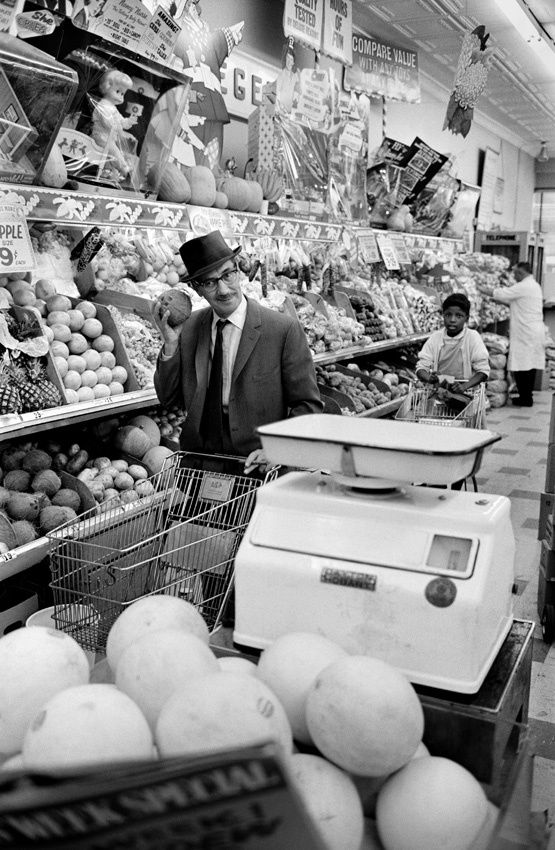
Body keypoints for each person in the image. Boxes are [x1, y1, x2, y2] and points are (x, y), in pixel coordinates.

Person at [152, 230, 323, 474]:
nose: (223, 289)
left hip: (258, 468)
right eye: (210, 282)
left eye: (227, 275)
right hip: (201, 466)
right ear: (197, 289)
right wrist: (169, 344)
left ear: (238, 271)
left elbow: (307, 405)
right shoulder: (189, 329)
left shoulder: (282, 330)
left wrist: (278, 449)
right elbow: (169, 399)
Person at [482, 261, 545, 407]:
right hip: (532, 331)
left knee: (522, 366)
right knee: (529, 366)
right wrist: (498, 302)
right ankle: (526, 396)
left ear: (521, 273)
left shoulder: (524, 286)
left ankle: (525, 399)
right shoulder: (533, 285)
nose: (513, 275)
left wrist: (479, 288)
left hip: (526, 332)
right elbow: (516, 303)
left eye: (515, 273)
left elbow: (501, 293)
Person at [416, 293, 490, 393]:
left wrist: (464, 386)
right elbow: (421, 367)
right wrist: (429, 378)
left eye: (458, 316)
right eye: (448, 315)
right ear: (443, 315)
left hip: (468, 394)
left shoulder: (472, 337)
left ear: (467, 318)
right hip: (439, 393)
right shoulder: (435, 338)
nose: (452, 320)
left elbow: (483, 371)